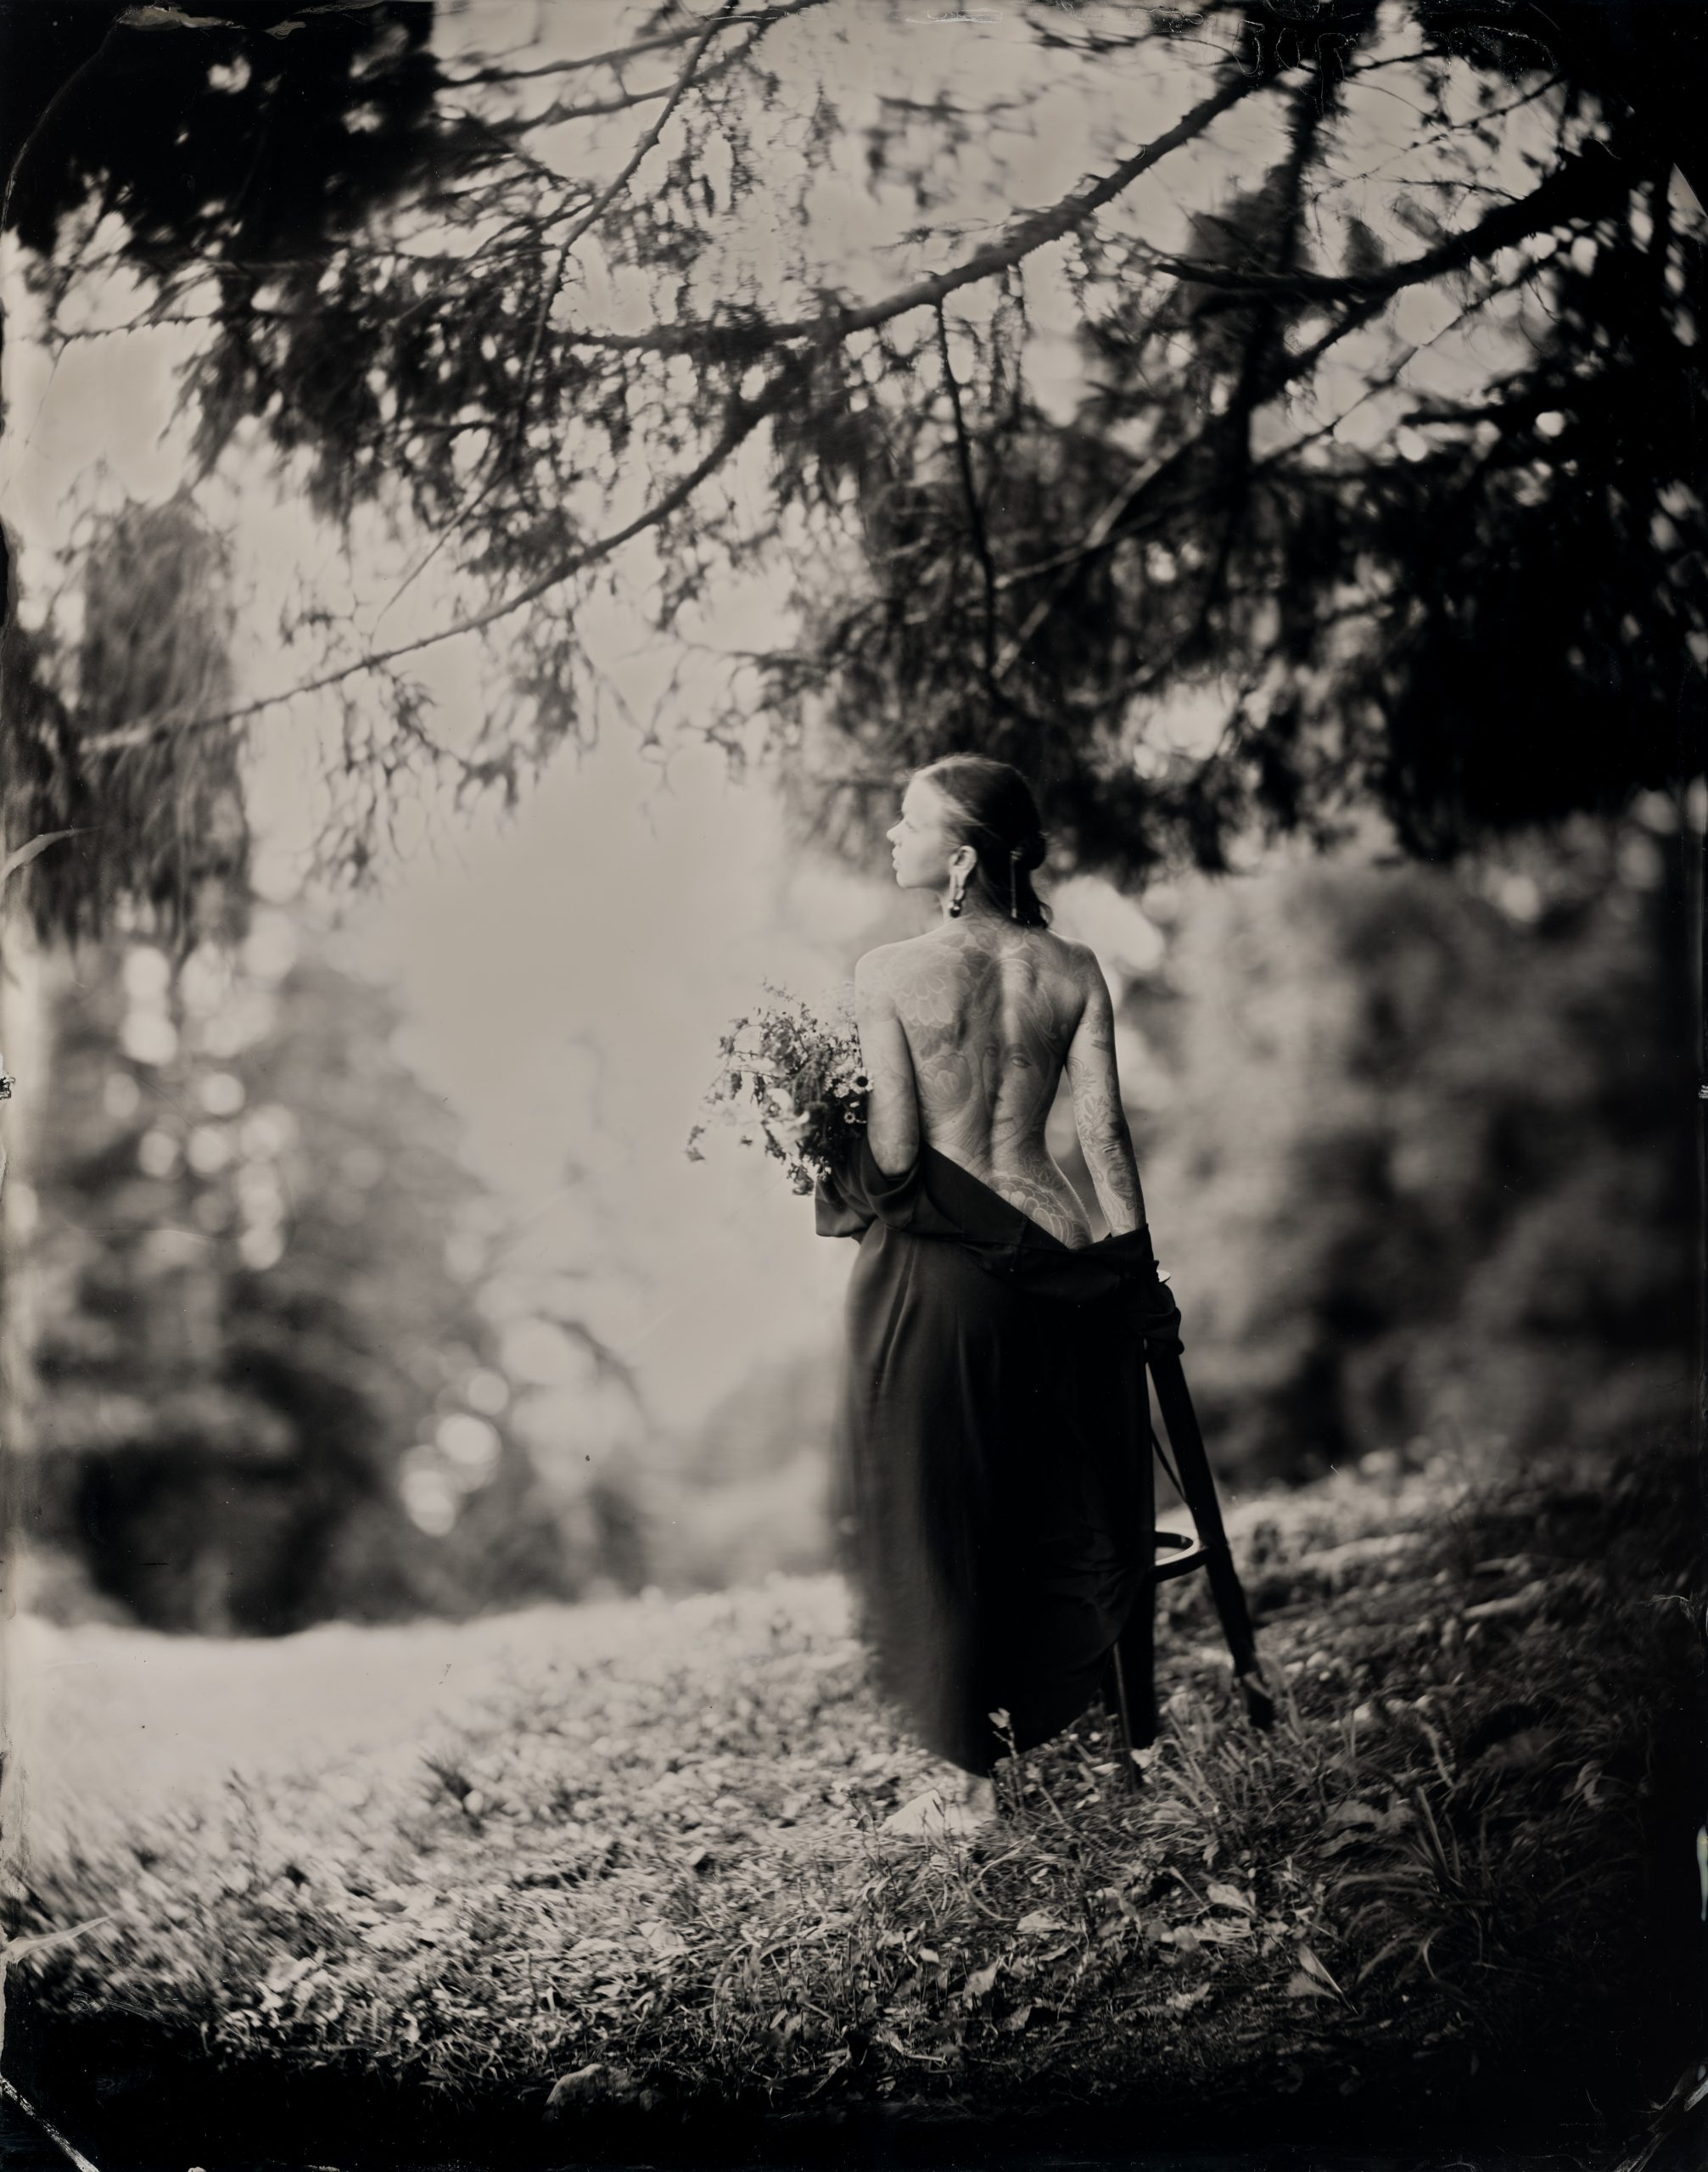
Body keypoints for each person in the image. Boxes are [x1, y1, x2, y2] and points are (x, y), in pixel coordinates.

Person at [814, 752, 1164, 1836]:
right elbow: (1102, 1136)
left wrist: (822, 1137)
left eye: (907, 821)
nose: (890, 834)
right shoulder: (1074, 967)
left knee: (945, 1504)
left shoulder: (887, 972)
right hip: (1062, 1254)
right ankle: (1124, 1744)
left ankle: (973, 1787)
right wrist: (1133, 1273)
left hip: (955, 1276)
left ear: (959, 859)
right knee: (1060, 1496)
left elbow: (902, 1150)